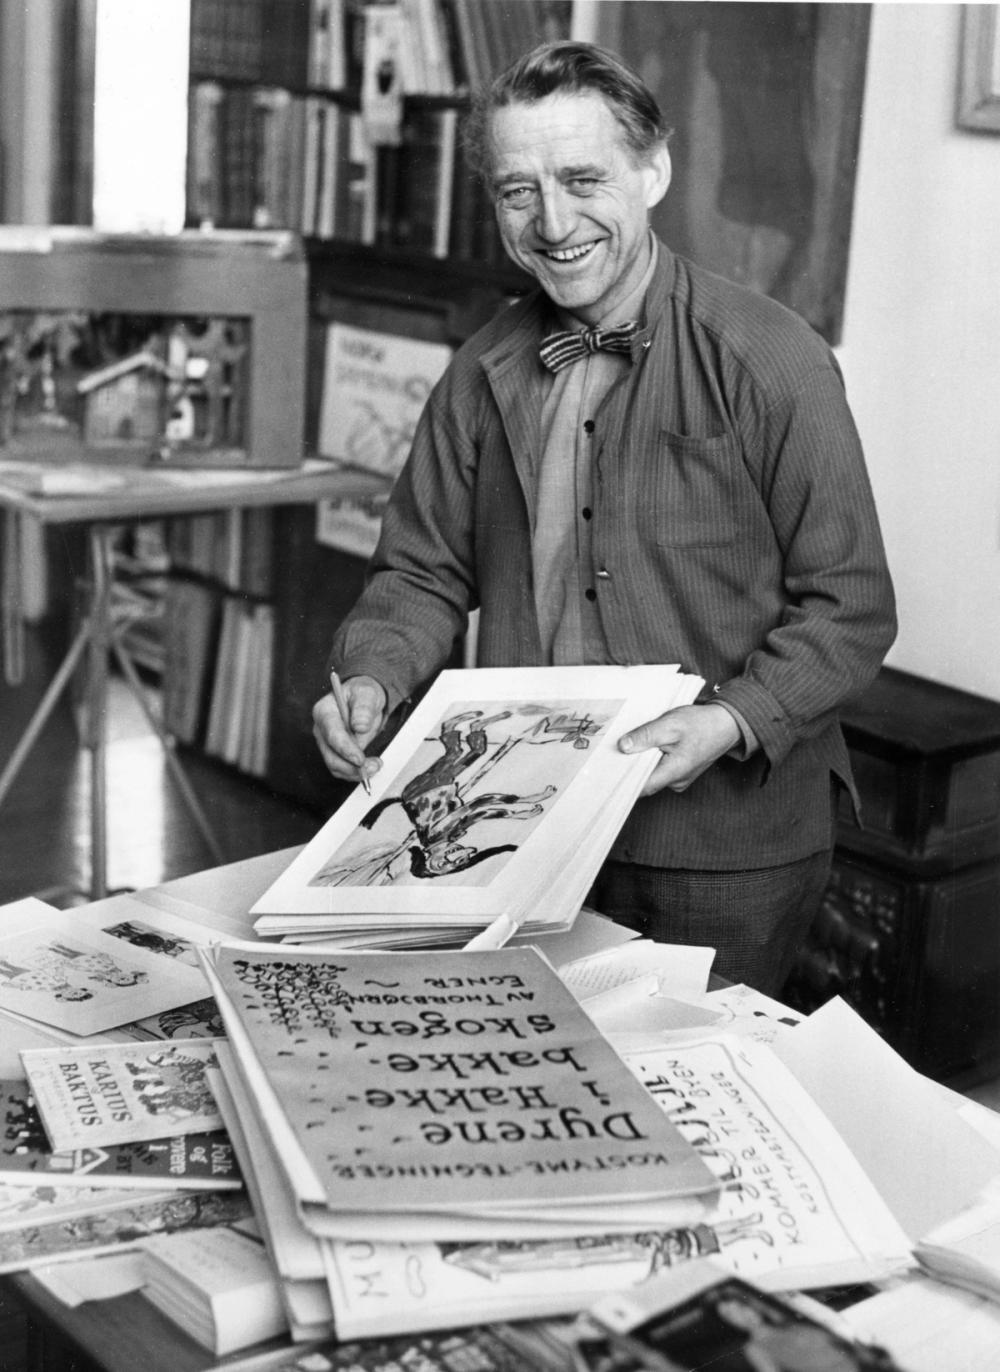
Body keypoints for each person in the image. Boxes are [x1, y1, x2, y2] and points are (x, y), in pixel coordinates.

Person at [312, 40, 896, 994]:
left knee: (685, 1082)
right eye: (518, 191)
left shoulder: (771, 360)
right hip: (523, 832)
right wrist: (373, 676)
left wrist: (728, 721)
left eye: (583, 179)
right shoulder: (478, 372)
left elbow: (852, 607)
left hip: (727, 848)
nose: (553, 222)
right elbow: (420, 572)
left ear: (652, 171)